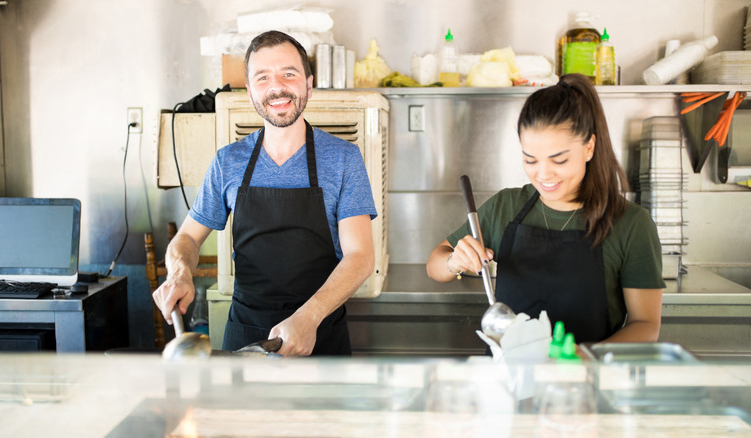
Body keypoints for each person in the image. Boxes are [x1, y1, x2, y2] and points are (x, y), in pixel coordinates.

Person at [152, 30, 377, 356]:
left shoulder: (343, 159)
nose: (277, 87)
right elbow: (186, 239)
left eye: (289, 73)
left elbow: (360, 257)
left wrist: (308, 318)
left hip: (320, 334)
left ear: (309, 85)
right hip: (246, 336)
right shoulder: (227, 161)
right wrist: (180, 273)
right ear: (250, 91)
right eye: (263, 77)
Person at [426, 73, 664, 344]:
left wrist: (580, 361)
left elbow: (645, 325)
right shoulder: (506, 206)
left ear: (589, 147)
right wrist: (453, 261)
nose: (543, 175)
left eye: (559, 160)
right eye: (530, 160)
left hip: (589, 378)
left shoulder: (631, 224)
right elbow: (434, 265)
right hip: (511, 378)